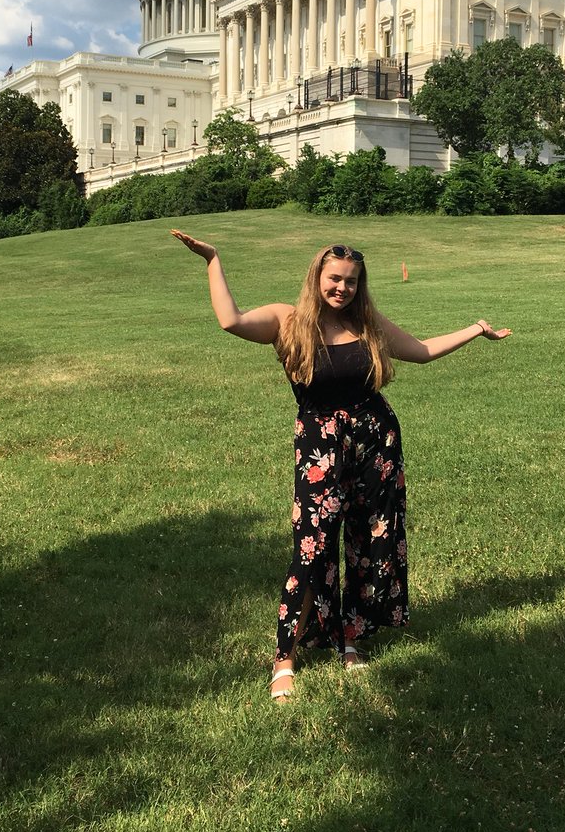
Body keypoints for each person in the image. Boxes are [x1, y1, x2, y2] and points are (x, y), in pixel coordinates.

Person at [171, 230, 511, 701]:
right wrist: (212, 259)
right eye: (334, 279)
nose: (342, 289)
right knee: (311, 548)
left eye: (351, 282)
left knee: (370, 543)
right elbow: (230, 321)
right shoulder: (286, 320)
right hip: (320, 449)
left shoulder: (368, 323)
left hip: (376, 444)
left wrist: (475, 329)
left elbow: (423, 351)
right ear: (317, 277)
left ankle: (350, 638)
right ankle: (285, 656)